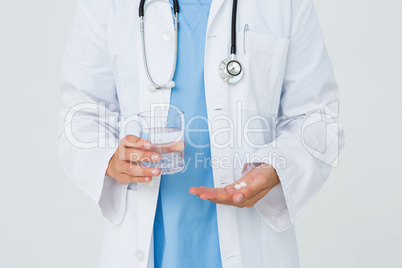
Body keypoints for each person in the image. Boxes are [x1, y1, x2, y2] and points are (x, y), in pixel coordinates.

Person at [58, 0, 345, 267]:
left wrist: (276, 167)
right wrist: (110, 159)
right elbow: (81, 114)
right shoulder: (105, 5)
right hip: (148, 243)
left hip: (250, 243)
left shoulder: (285, 4)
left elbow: (319, 118)